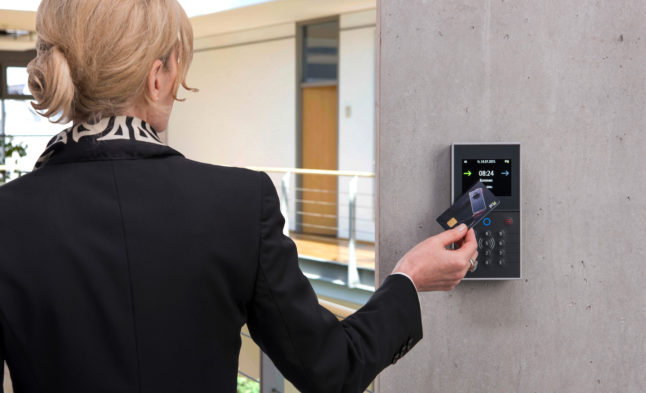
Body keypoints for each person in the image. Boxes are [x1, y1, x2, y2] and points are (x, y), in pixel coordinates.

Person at [0, 0, 478, 392]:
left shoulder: (9, 219)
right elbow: (332, 367)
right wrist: (409, 278)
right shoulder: (239, 203)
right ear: (156, 77)